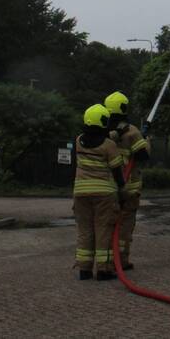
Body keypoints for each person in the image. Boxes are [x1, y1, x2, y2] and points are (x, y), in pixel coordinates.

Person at [73, 104, 125, 281]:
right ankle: (103, 269)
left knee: (85, 230)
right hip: (104, 194)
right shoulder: (109, 146)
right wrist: (122, 189)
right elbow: (117, 171)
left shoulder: (78, 140)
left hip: (80, 193)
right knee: (103, 229)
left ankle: (84, 269)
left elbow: (96, 138)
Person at [105, 91, 151, 271]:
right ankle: (121, 260)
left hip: (107, 187)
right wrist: (146, 140)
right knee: (124, 227)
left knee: (106, 226)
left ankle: (104, 261)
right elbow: (143, 156)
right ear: (124, 107)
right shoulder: (132, 132)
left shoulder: (103, 132)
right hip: (128, 188)